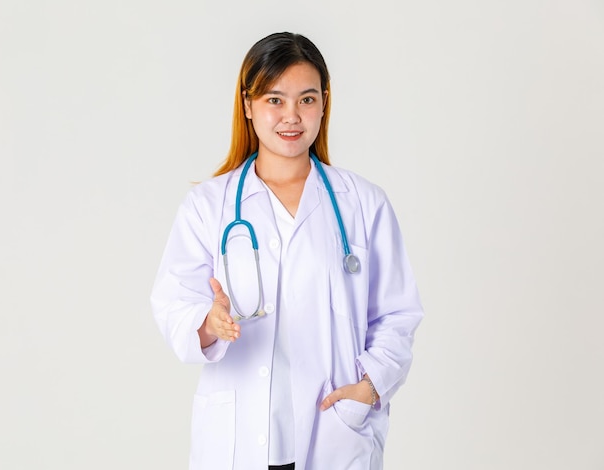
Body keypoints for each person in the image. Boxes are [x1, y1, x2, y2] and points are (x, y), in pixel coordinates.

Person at [150, 32, 423, 470]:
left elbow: (397, 313)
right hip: (238, 438)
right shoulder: (208, 206)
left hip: (335, 429)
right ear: (248, 105)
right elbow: (172, 303)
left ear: (324, 102)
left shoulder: (363, 203)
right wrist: (209, 322)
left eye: (307, 99)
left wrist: (370, 386)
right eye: (275, 100)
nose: (292, 116)